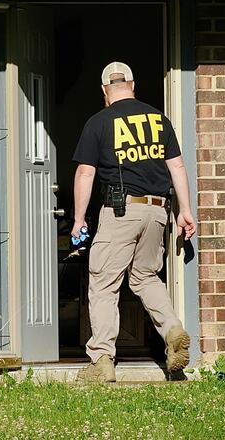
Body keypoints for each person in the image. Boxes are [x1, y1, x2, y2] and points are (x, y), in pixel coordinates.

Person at [72, 61, 197, 382]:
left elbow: (86, 172)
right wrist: (185, 210)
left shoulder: (99, 122)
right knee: (145, 277)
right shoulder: (159, 119)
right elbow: (178, 167)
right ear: (133, 84)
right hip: (158, 210)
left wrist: (78, 219)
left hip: (120, 211)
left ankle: (101, 361)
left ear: (104, 90)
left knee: (103, 283)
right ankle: (172, 331)